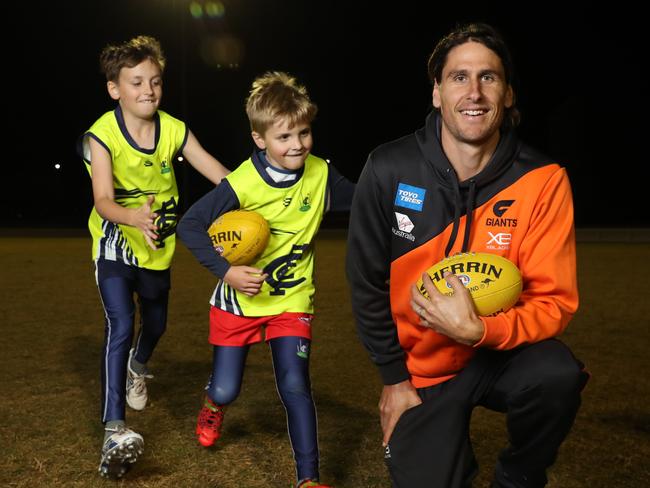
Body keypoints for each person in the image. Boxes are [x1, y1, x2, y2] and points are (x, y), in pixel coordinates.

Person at [346, 23, 589, 488]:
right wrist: (394, 381)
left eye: (488, 77)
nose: (473, 92)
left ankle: (518, 477)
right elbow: (366, 283)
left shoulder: (543, 179)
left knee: (556, 374)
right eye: (458, 77)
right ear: (436, 92)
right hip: (422, 369)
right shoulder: (389, 167)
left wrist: (480, 330)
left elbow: (553, 301)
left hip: (503, 354)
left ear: (509, 93)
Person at [177, 71, 353, 488]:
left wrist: (413, 191)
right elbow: (190, 226)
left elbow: (367, 197)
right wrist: (228, 272)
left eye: (304, 133)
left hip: (291, 303)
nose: (298, 145)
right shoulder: (242, 182)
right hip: (237, 304)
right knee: (226, 388)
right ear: (260, 140)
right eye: (285, 137)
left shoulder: (320, 174)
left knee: (295, 385)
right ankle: (213, 404)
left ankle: (308, 479)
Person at [78, 35, 230, 479]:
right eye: (137, 82)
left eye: (155, 81)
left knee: (157, 324)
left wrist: (252, 193)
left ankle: (137, 367)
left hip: (157, 247)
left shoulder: (175, 129)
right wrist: (131, 216)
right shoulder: (102, 135)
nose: (148, 90)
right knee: (121, 322)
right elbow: (103, 199)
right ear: (115, 89)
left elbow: (216, 172)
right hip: (114, 240)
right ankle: (114, 427)